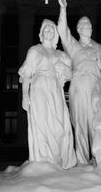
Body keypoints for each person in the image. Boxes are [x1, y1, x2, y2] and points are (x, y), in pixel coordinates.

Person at [58, 0, 101, 164]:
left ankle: (99, 159)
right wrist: (63, 8)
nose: (87, 28)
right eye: (84, 26)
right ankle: (83, 162)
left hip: (95, 88)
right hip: (78, 87)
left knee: (96, 122)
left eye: (89, 25)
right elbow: (62, 30)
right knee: (81, 124)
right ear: (78, 29)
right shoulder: (74, 46)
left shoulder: (100, 48)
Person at [18, 19, 76, 169]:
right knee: (42, 122)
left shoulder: (61, 54)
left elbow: (71, 74)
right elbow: (27, 73)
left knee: (60, 125)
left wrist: (64, 68)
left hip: (56, 88)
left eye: (52, 29)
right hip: (39, 86)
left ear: (55, 34)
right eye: (46, 29)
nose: (49, 31)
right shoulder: (35, 50)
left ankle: (58, 159)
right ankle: (45, 160)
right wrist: (25, 95)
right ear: (41, 33)